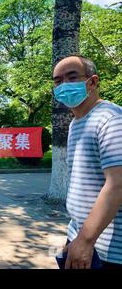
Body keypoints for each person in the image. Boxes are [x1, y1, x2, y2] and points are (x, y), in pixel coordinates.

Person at [53, 56, 122, 269]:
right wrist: (77, 236)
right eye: (57, 81)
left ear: (92, 82)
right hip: (79, 235)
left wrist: (85, 240)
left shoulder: (111, 119)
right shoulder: (77, 123)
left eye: (71, 77)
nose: (64, 85)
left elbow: (117, 184)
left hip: (106, 247)